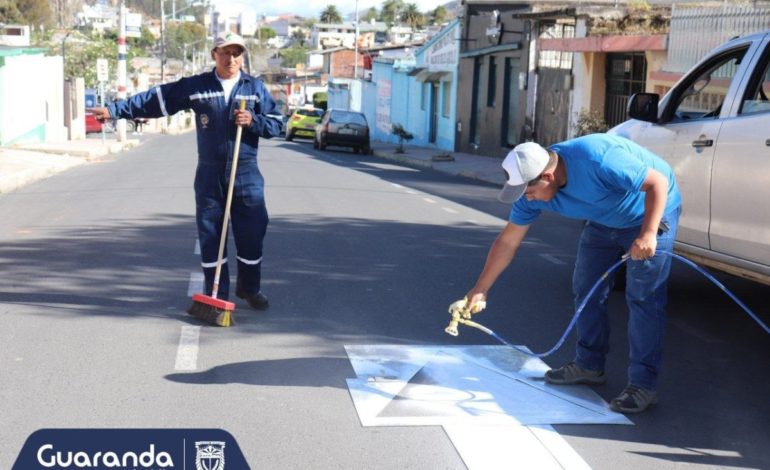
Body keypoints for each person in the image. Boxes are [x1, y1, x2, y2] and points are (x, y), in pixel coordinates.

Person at [462, 133, 681, 413]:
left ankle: (643, 385)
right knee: (586, 287)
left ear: (548, 177)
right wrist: (481, 288)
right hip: (602, 220)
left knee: (643, 298)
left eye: (529, 191)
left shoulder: (597, 159)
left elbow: (658, 183)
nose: (526, 198)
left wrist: (649, 234)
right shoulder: (530, 194)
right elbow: (508, 241)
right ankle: (589, 365)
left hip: (647, 212)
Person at [90, 32, 282, 311]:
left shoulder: (255, 88)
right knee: (211, 237)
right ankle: (216, 295)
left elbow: (277, 124)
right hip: (209, 173)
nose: (231, 58)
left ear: (243, 57)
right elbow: (157, 100)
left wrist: (253, 120)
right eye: (225, 52)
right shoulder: (198, 86)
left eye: (236, 52)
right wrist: (114, 110)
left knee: (252, 234)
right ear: (214, 54)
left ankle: (249, 287)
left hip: (246, 172)